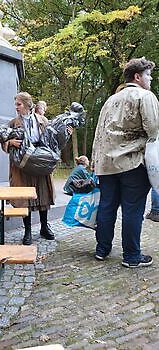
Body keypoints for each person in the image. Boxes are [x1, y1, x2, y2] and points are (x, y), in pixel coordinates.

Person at [92, 57, 159, 268]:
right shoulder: (145, 96)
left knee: (107, 206)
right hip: (132, 162)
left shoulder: (110, 100)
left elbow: (98, 133)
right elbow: (154, 129)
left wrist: (95, 162)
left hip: (106, 164)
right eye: (148, 75)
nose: (151, 79)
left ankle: (102, 249)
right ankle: (131, 256)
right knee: (132, 209)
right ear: (137, 77)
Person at [2, 92, 63, 245]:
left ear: (28, 105)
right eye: (15, 104)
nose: (16, 107)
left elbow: (53, 139)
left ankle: (44, 227)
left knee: (43, 195)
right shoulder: (12, 123)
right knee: (25, 198)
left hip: (40, 162)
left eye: (19, 104)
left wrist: (64, 133)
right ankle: (27, 231)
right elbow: (3, 142)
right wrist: (10, 144)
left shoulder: (42, 120)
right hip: (22, 165)